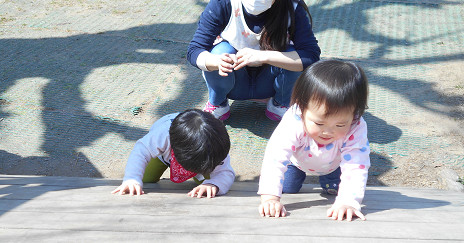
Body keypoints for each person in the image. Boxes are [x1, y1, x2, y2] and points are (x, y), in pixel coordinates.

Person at [257, 59, 370, 221]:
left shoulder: (356, 126)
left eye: (340, 124)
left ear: (354, 114)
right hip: (297, 162)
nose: (327, 131)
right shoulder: (294, 120)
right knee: (288, 188)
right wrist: (270, 198)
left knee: (336, 191)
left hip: (334, 165)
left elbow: (355, 164)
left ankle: (329, 181)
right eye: (319, 123)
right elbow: (275, 156)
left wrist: (348, 202)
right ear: (302, 108)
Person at [187, 0, 321, 121]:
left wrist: (264, 56)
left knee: (291, 53)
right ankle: (218, 102)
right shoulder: (223, 3)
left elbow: (311, 56)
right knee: (220, 51)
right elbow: (195, 50)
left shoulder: (291, 7)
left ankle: (281, 103)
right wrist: (217, 61)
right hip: (234, 83)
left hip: (271, 85)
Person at [112, 109, 235, 198]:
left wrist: (213, 184)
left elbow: (226, 172)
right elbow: (141, 151)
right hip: (162, 157)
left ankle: (203, 175)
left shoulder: (216, 148)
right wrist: (132, 178)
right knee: (146, 179)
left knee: (205, 188)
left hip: (203, 162)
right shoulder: (163, 134)